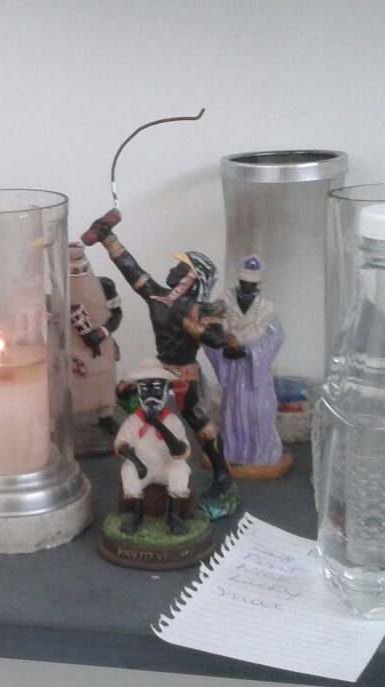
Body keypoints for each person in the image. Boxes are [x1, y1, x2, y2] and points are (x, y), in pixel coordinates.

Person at [81, 209, 239, 503]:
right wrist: (107, 237)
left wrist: (186, 322)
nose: (172, 270)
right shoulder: (158, 296)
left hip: (185, 373)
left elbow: (216, 338)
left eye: (180, 267)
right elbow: (131, 269)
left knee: (197, 420)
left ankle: (222, 474)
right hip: (160, 367)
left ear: (191, 278)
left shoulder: (201, 310)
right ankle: (148, 448)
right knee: (125, 393)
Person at [206, 255, 288, 475]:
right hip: (232, 369)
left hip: (255, 370)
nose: (247, 286)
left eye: (251, 283)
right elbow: (209, 327)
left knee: (258, 411)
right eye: (244, 281)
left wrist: (248, 352)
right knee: (232, 409)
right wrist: (221, 345)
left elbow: (276, 337)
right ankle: (234, 452)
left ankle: (261, 453)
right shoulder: (223, 302)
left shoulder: (266, 309)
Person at [113, 359, 191, 535]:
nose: (151, 396)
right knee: (128, 469)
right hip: (143, 468)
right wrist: (137, 463)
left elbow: (180, 451)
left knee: (180, 468)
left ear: (166, 391)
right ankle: (137, 515)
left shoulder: (172, 421)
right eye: (145, 389)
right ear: (139, 392)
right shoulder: (133, 421)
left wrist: (158, 424)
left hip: (165, 466)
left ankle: (173, 516)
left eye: (156, 389)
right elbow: (120, 445)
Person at [69, 241, 123, 438]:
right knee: (70, 383)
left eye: (81, 266)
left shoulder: (105, 285)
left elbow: (117, 314)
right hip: (71, 346)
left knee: (104, 380)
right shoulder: (58, 291)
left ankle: (105, 414)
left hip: (102, 345)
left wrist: (102, 332)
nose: (78, 270)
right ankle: (62, 419)